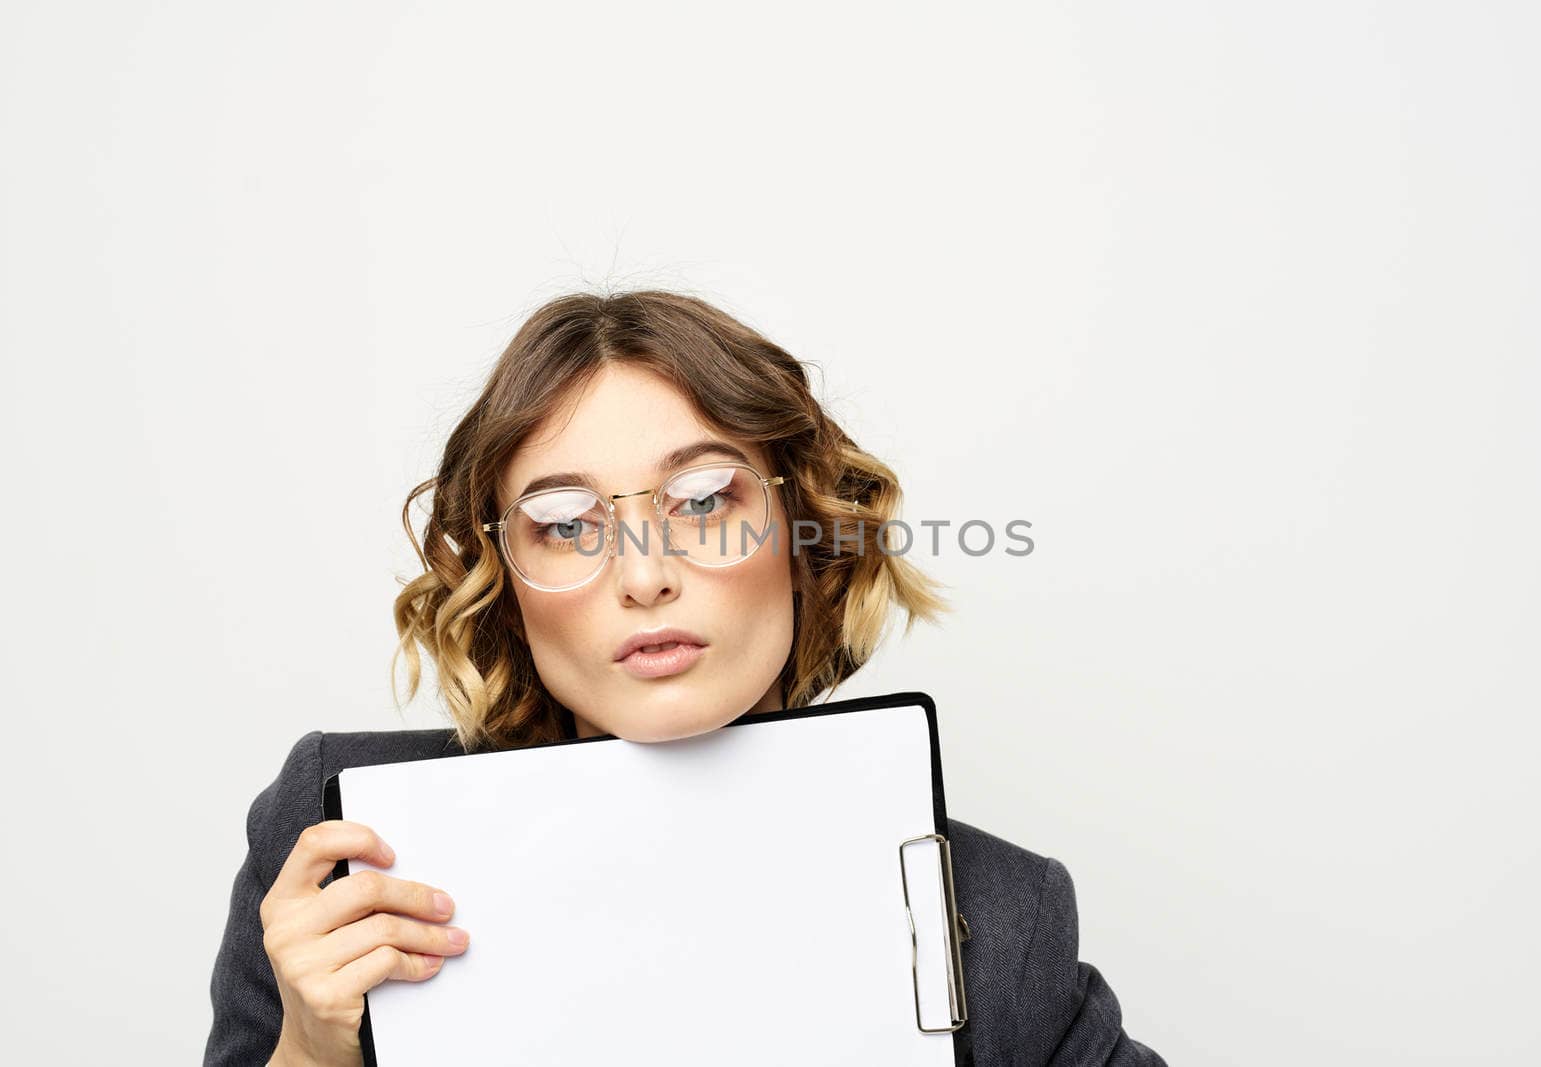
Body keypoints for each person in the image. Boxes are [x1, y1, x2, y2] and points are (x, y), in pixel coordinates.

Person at [203, 290, 1167, 1066]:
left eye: (704, 500)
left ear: (802, 533)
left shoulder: (1000, 915)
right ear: (505, 583)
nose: (644, 572)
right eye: (567, 523)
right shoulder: (343, 851)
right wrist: (309, 1054)